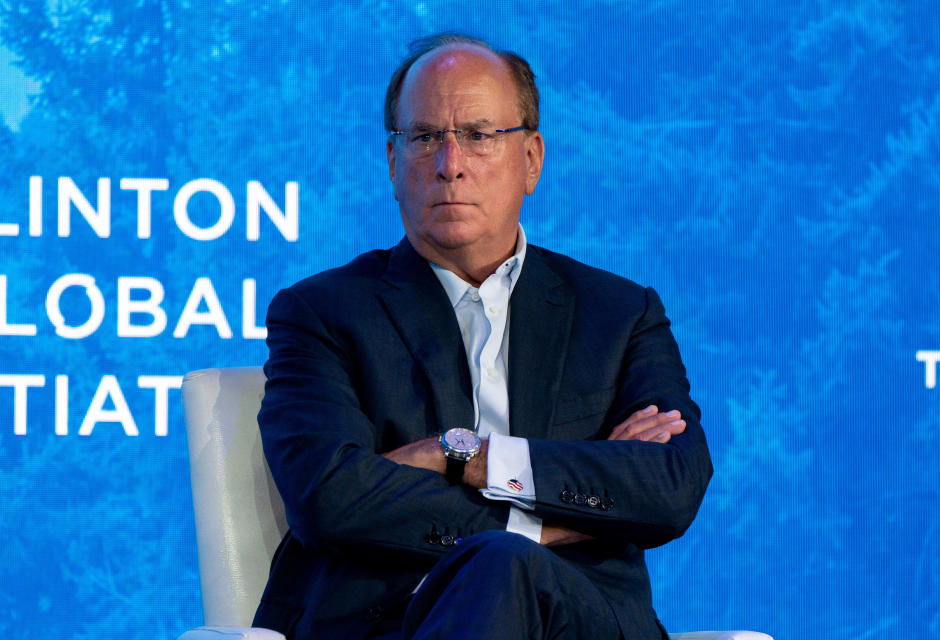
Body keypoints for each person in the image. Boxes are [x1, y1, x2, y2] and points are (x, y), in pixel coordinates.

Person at [253, 33, 712, 640]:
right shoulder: (320, 313)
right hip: (386, 623)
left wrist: (463, 454)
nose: (450, 164)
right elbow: (329, 498)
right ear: (393, 164)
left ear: (532, 159)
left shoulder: (618, 312)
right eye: (424, 138)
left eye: (477, 134)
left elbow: (669, 485)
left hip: (578, 621)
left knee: (506, 565)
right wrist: (553, 517)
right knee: (501, 562)